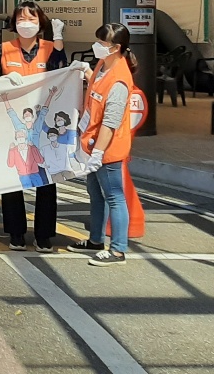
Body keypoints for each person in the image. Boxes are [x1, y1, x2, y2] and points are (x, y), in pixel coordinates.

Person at [0, 1, 67, 252]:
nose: (26, 24)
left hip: (43, 124)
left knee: (46, 179)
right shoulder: (3, 49)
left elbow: (62, 73)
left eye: (32, 19)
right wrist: (3, 79)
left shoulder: (50, 47)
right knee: (12, 178)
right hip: (12, 125)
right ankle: (16, 233)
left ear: (40, 22)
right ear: (14, 23)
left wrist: (58, 41)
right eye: (21, 19)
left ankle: (43, 234)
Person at [67, 23, 136, 267]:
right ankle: (95, 240)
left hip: (107, 149)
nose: (97, 46)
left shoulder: (119, 81)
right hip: (93, 143)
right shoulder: (103, 65)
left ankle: (118, 250)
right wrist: (85, 70)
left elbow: (110, 122)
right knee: (96, 195)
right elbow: (96, 90)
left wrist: (98, 153)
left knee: (114, 197)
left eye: (102, 43)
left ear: (116, 48)